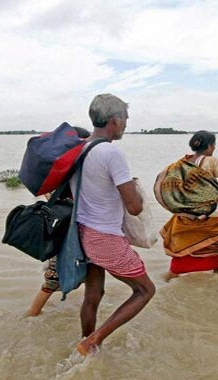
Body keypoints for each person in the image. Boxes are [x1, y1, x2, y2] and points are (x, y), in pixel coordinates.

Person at [73, 94, 155, 356]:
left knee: (93, 295)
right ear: (114, 121)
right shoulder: (111, 151)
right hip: (104, 235)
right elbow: (134, 207)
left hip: (81, 232)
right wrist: (137, 190)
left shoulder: (80, 148)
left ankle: (85, 344)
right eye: (125, 120)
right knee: (145, 290)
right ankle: (93, 342)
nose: (126, 125)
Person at [27, 126, 91, 317]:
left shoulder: (56, 171)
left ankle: (32, 315)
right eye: (85, 143)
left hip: (62, 229)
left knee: (86, 276)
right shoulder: (71, 172)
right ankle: (31, 314)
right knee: (52, 281)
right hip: (67, 232)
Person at [158, 131, 218, 279]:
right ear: (211, 146)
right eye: (214, 145)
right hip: (210, 215)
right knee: (215, 251)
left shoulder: (182, 163)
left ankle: (169, 278)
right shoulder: (212, 161)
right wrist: (214, 188)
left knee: (183, 250)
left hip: (187, 213)